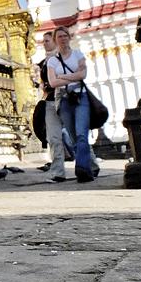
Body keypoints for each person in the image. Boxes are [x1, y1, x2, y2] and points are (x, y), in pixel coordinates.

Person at [47, 26, 95, 183]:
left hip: (81, 97)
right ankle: (85, 166)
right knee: (73, 138)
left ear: (69, 37)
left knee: (82, 134)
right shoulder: (52, 61)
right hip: (64, 99)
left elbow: (83, 74)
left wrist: (64, 76)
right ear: (56, 40)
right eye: (59, 36)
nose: (63, 38)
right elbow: (53, 82)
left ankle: (82, 169)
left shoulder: (77, 54)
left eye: (65, 35)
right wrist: (74, 77)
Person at [38, 31, 68, 183]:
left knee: (76, 135)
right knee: (54, 138)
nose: (44, 43)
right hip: (50, 101)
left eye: (47, 40)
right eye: (43, 41)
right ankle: (58, 172)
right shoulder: (43, 63)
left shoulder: (63, 58)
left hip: (65, 99)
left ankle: (91, 164)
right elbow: (43, 85)